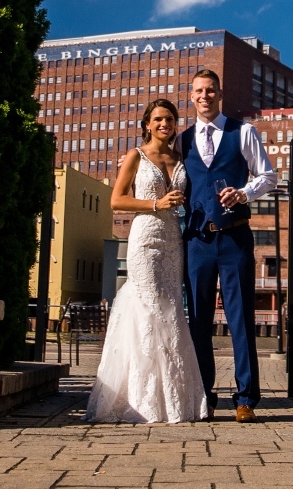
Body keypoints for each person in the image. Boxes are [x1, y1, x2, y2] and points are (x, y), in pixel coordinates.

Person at [83, 99, 209, 423]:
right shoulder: (135, 157)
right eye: (158, 119)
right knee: (151, 308)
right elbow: (116, 200)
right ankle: (143, 399)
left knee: (171, 310)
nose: (164, 124)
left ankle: (177, 399)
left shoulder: (181, 158)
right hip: (144, 239)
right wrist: (156, 202)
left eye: (169, 119)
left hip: (173, 241)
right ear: (147, 124)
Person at [181, 70, 277, 423]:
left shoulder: (243, 132)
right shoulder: (183, 140)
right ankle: (204, 394)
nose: (204, 96)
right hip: (197, 241)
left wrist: (243, 192)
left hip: (235, 236)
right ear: (191, 97)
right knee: (198, 322)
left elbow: (269, 176)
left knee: (240, 319)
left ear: (219, 94)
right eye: (198, 91)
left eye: (210, 90)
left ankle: (246, 397)